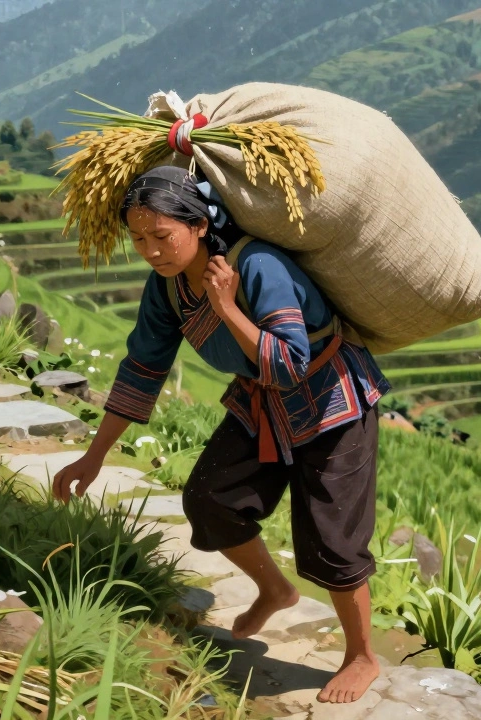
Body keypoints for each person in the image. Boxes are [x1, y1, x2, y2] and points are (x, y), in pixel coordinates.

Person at [52, 165, 390, 704]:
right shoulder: (165, 290)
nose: (151, 250)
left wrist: (226, 307)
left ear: (200, 225)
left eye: (162, 236)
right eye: (138, 239)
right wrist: (94, 457)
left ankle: (361, 656)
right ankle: (274, 589)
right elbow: (143, 367)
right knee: (210, 499)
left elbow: (288, 363)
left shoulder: (257, 266)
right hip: (262, 403)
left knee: (331, 537)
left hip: (332, 403)